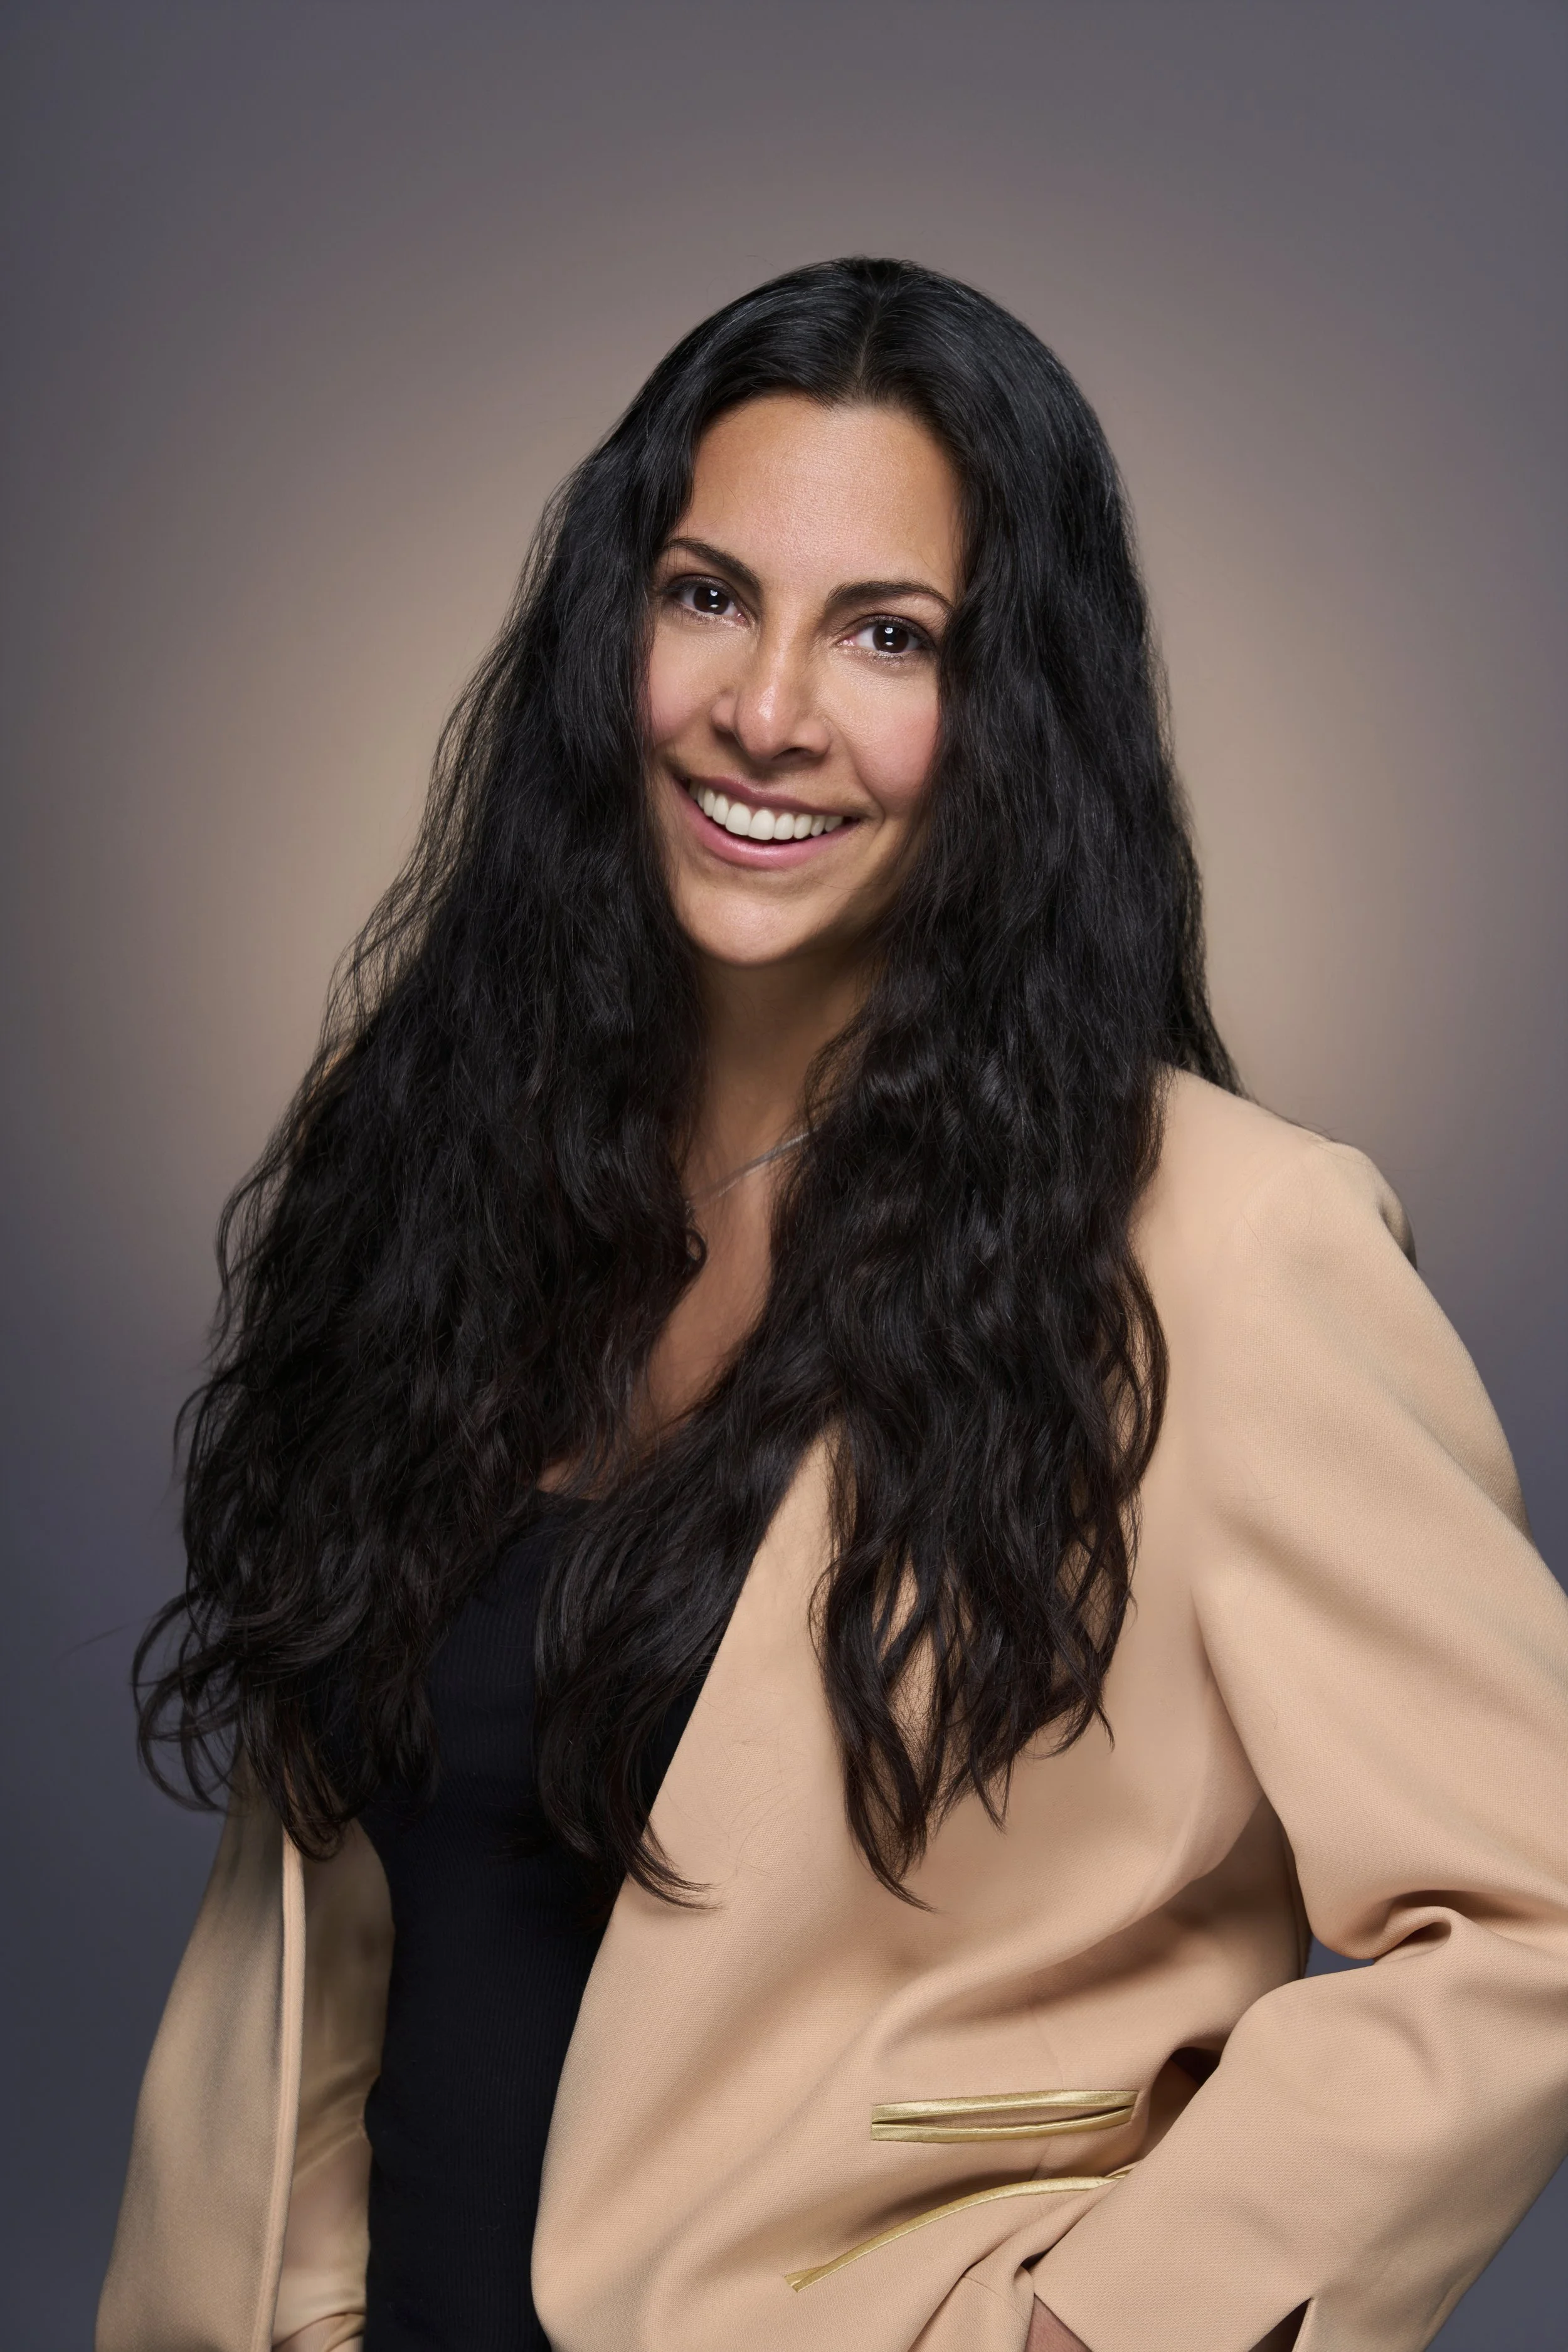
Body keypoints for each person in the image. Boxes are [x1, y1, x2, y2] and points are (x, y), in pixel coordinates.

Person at [99, 258, 1568, 2352]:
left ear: (1015, 716)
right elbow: (333, 1936)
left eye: (888, 634)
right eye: (707, 595)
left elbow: (1533, 1912)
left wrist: (1106, 2329)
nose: (765, 707)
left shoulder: (1235, 1244)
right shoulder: (436, 1153)